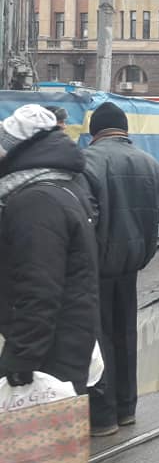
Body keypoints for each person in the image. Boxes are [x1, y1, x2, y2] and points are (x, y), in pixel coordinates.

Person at [83, 102, 159, 436]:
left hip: (96, 266)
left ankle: (104, 418)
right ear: (124, 129)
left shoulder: (88, 162)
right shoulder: (148, 163)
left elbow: (83, 216)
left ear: (95, 131)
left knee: (99, 338)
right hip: (131, 265)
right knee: (126, 334)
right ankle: (127, 410)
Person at [0, 105, 98, 397]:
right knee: (56, 439)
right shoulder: (64, 185)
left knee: (32, 440)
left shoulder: (35, 202)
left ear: (17, 151)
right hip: (68, 340)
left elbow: (39, 287)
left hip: (49, 352)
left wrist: (21, 359)